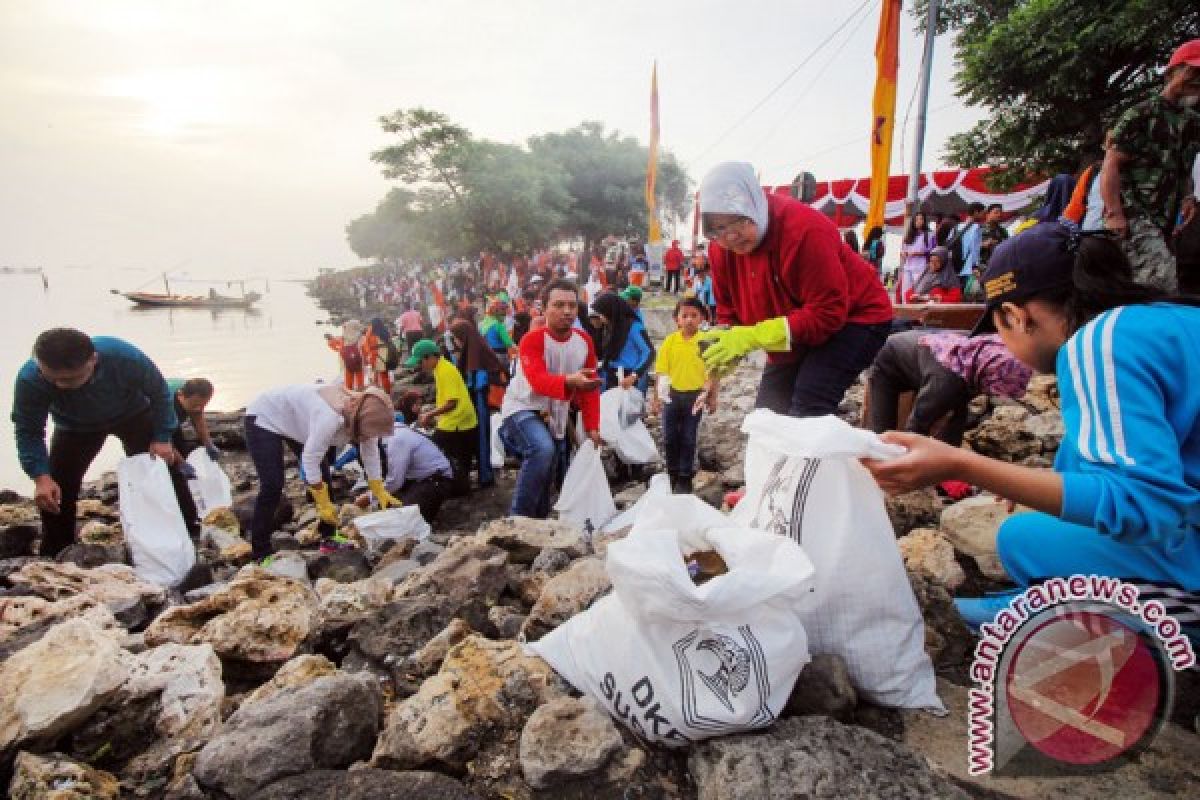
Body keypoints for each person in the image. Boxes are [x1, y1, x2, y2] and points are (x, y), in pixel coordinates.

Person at [862, 222, 1200, 628]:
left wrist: (961, 464)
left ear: (1015, 316)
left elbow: (1142, 505)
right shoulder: (1168, 321)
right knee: (1032, 534)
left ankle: (1067, 613)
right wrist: (1040, 484)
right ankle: (1045, 599)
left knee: (1021, 541)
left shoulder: (1099, 343)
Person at [697, 161, 893, 417]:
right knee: (768, 415)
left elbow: (828, 313)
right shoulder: (720, 249)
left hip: (856, 317)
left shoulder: (804, 230)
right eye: (719, 229)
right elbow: (728, 316)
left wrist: (753, 336)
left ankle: (816, 456)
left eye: (738, 222)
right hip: (794, 326)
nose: (731, 237)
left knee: (809, 404)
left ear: (755, 205)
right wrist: (714, 375)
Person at [12, 329, 196, 555]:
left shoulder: (123, 357)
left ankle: (189, 530)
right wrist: (40, 476)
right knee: (57, 488)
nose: (59, 385)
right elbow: (28, 430)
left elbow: (160, 394)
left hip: (133, 413)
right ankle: (58, 551)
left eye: (69, 379)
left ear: (93, 360)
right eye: (51, 378)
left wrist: (162, 437)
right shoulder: (31, 379)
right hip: (74, 427)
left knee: (163, 467)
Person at [243, 383, 398, 561]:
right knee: (273, 484)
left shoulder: (368, 416)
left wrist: (377, 486)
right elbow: (310, 458)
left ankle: (328, 537)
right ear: (357, 420)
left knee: (323, 472)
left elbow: (370, 451)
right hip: (265, 416)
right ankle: (260, 552)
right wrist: (322, 501)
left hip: (297, 421)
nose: (367, 436)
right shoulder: (329, 417)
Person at [1100, 39, 1200, 291]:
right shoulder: (1141, 114)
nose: (1197, 81)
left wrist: (1188, 198)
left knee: (1146, 283)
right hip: (1135, 214)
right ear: (1172, 73)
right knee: (1161, 284)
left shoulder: (1192, 123)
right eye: (1193, 73)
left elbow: (1184, 166)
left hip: (1166, 219)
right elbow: (1111, 163)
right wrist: (1115, 213)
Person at [498, 279, 603, 519]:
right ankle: (518, 519)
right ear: (544, 308)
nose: (567, 311)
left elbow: (590, 387)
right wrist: (569, 381)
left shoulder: (584, 342)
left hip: (556, 412)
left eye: (572, 305)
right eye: (558, 305)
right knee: (542, 450)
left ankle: (539, 522)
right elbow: (538, 380)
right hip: (522, 407)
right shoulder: (532, 340)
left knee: (551, 465)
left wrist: (593, 426)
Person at [865, 330, 1032, 447]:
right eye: (995, 388)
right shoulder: (946, 382)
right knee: (883, 434)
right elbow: (916, 426)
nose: (992, 393)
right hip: (888, 360)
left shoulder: (978, 358)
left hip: (923, 357)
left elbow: (958, 412)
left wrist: (952, 460)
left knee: (955, 406)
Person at [650, 297, 718, 494]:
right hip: (671, 396)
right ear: (676, 319)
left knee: (689, 437)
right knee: (670, 437)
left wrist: (712, 397)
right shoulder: (670, 342)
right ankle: (672, 472)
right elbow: (661, 372)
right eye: (684, 316)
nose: (689, 320)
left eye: (694, 316)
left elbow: (713, 371)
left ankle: (685, 476)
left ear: (702, 318)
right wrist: (656, 399)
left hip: (695, 397)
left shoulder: (705, 343)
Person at [408, 338, 478, 497]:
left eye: (421, 362)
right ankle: (462, 487)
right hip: (459, 419)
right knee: (460, 456)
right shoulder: (440, 368)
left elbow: (452, 403)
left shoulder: (445, 371)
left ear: (429, 357)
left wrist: (429, 414)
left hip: (457, 421)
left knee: (435, 449)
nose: (421, 366)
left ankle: (456, 487)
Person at [450, 319, 504, 489]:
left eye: (456, 338)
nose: (455, 342)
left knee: (481, 437)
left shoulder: (475, 354)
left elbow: (477, 381)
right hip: (478, 399)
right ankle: (484, 474)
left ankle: (485, 476)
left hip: (480, 400)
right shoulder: (474, 347)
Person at [380, 421, 454, 523]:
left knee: (404, 522)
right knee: (387, 504)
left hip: (435, 482)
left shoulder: (396, 439)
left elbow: (395, 481)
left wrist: (371, 496)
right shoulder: (399, 432)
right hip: (427, 479)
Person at [590, 291, 654, 393]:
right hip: (611, 375)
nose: (601, 318)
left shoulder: (634, 327)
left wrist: (634, 375)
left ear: (610, 312)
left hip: (629, 377)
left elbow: (649, 352)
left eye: (602, 314)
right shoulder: (611, 326)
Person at [168, 377, 220, 461]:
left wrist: (208, 444)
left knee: (183, 446)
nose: (198, 409)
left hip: (178, 406)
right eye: (194, 405)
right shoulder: (166, 404)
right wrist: (181, 463)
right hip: (144, 417)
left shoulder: (194, 391)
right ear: (181, 395)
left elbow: (198, 419)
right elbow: (164, 440)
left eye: (203, 405)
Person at [899, 212, 936, 302]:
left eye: (921, 219)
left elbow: (932, 251)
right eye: (917, 219)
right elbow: (903, 250)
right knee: (905, 291)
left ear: (924, 221)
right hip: (908, 267)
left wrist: (916, 253)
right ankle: (906, 310)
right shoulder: (908, 236)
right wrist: (903, 254)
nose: (919, 221)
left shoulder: (929, 235)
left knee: (918, 291)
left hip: (921, 267)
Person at [979, 203, 1010, 268]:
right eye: (996, 212)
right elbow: (969, 249)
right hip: (983, 267)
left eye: (1000, 213)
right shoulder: (978, 229)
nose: (999, 215)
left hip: (1000, 266)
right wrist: (983, 244)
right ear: (987, 214)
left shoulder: (1002, 231)